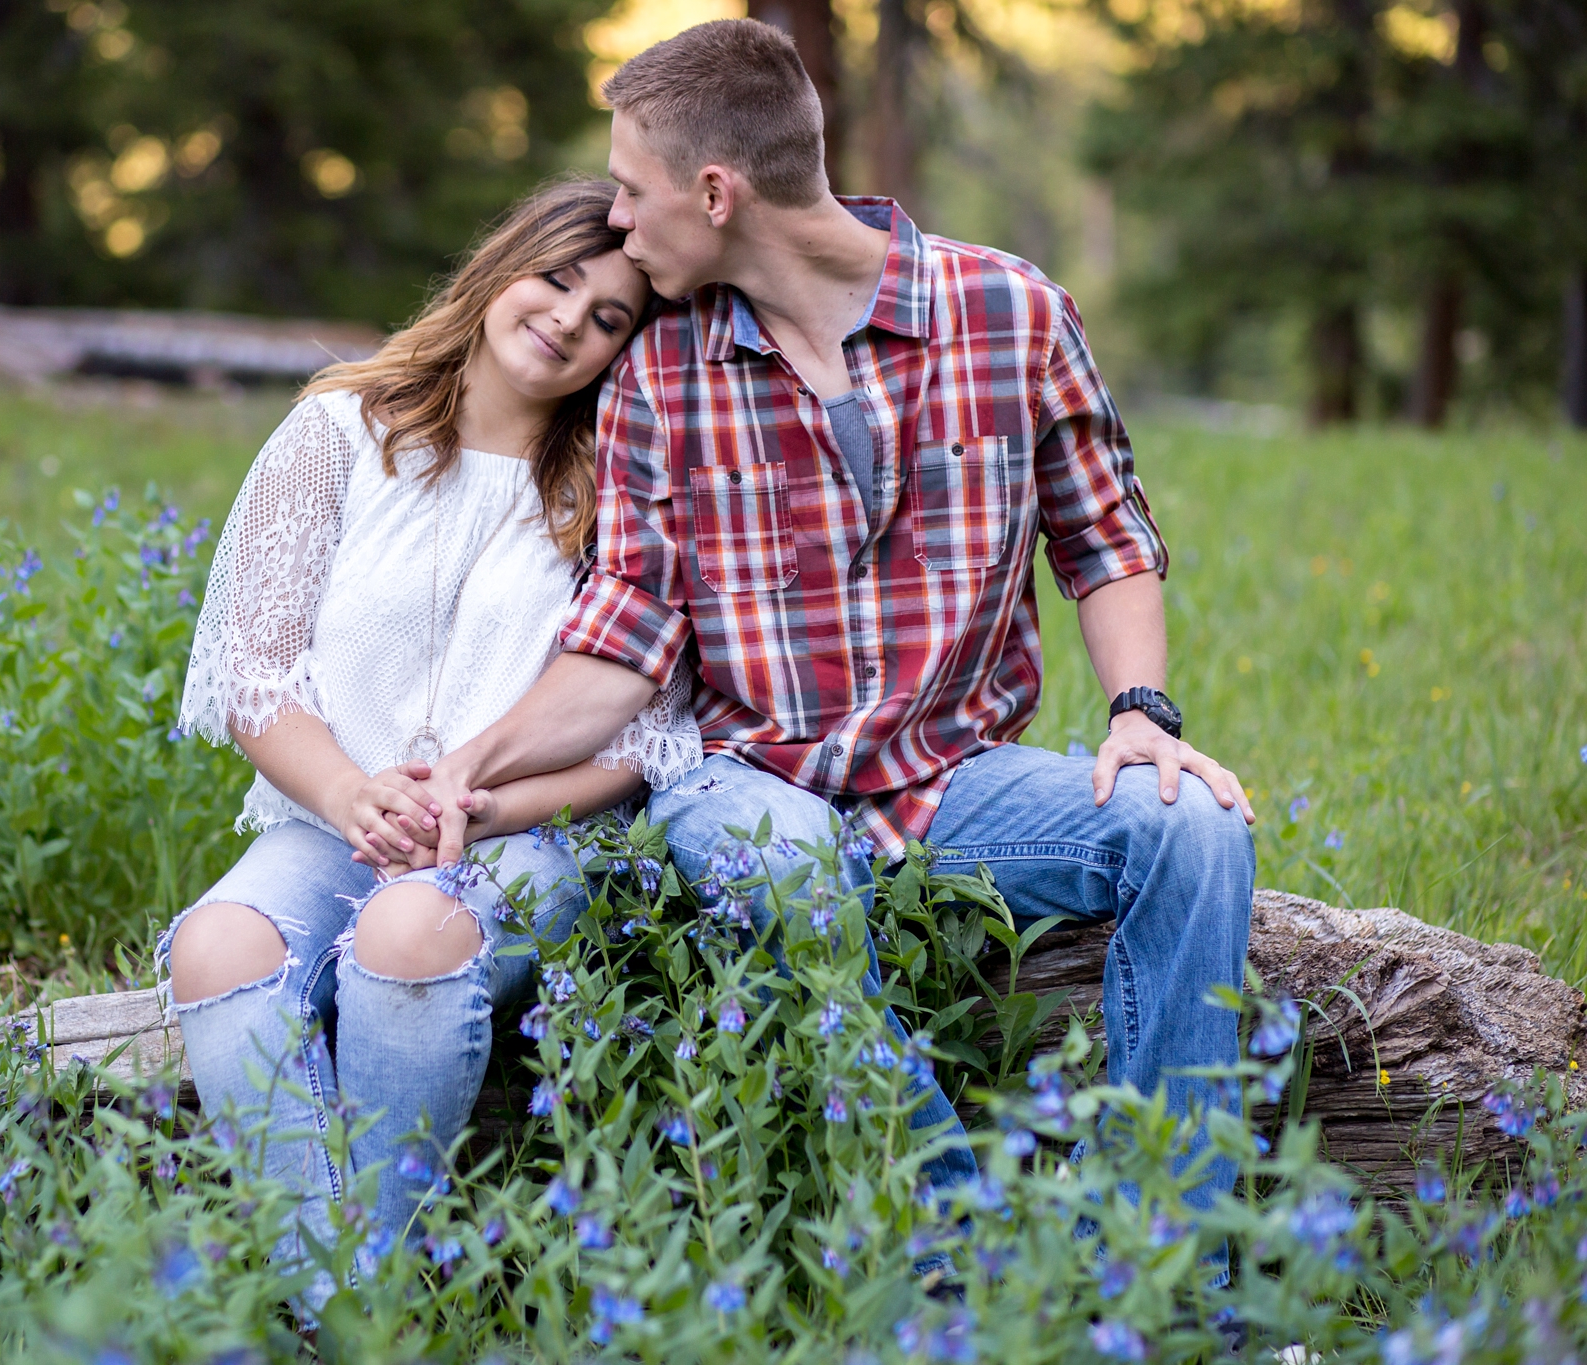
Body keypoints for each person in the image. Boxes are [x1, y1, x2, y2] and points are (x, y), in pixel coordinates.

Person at [414, 20, 1258, 1211]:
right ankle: (950, 1256)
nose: (614, 221)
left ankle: (1166, 1269)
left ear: (714, 193)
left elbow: (1104, 534)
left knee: (1194, 830)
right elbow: (624, 639)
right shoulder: (664, 371)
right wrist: (466, 769)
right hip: (743, 782)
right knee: (785, 857)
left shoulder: (1009, 313)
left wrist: (1137, 711)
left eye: (628, 190)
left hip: (950, 775)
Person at [164, 179, 700, 1283]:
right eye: (556, 280)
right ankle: (350, 1302)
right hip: (331, 820)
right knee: (214, 943)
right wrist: (352, 796)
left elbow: (639, 739)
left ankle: (355, 1291)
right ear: (502, 264)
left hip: (522, 839)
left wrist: (486, 805)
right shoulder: (336, 429)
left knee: (409, 932)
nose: (567, 321)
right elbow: (249, 674)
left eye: (608, 318)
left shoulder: (615, 487)